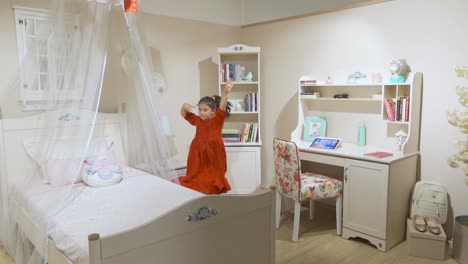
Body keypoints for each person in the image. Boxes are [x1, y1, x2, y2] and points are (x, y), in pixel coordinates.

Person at [178, 79, 234, 194]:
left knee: (212, 177)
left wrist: (225, 94)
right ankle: (198, 196)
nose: (202, 112)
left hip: (213, 152)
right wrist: (185, 105)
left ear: (213, 111)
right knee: (196, 176)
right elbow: (183, 113)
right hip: (197, 152)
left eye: (205, 110)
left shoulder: (217, 120)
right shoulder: (197, 120)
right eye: (200, 110)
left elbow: (222, 107)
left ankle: (212, 194)